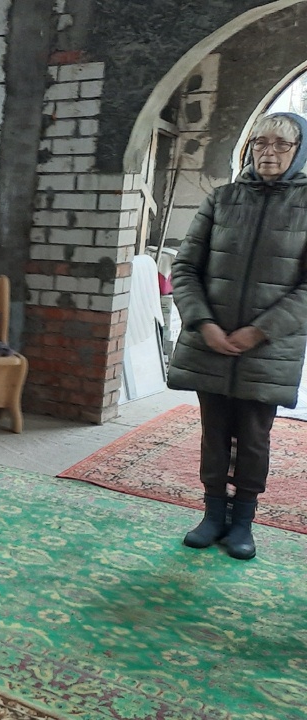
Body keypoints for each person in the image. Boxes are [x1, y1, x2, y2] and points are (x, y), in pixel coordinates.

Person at [168, 111, 307, 561]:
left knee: (253, 436)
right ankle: (212, 515)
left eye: (281, 145)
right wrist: (203, 322)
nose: (269, 152)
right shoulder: (222, 198)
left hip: (269, 348)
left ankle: (243, 520)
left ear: (299, 151)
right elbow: (185, 268)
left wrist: (259, 331)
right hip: (212, 340)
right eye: (260, 142)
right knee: (214, 433)